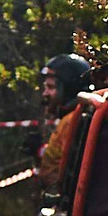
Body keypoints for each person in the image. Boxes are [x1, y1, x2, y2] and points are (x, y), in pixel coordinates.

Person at [36, 52, 93, 184]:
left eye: (50, 87)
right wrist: (38, 152)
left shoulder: (73, 122)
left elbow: (60, 174)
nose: (45, 93)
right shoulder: (74, 119)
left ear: (68, 90)